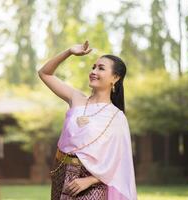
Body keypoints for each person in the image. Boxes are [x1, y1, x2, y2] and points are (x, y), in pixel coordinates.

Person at [38, 40, 137, 200]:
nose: (94, 71)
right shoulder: (76, 98)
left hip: (92, 182)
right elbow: (45, 73)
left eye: (101, 68)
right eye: (93, 67)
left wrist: (90, 180)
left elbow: (119, 160)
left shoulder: (116, 117)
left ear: (115, 78)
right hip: (61, 172)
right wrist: (69, 51)